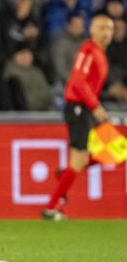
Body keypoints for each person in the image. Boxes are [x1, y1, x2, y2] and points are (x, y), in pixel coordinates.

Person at [42, 14, 115, 221]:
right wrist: (96, 106)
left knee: (96, 157)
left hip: (85, 109)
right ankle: (50, 208)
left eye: (110, 29)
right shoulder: (88, 50)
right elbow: (78, 81)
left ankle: (65, 175)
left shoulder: (100, 53)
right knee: (82, 159)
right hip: (79, 107)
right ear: (92, 30)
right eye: (102, 28)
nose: (107, 33)